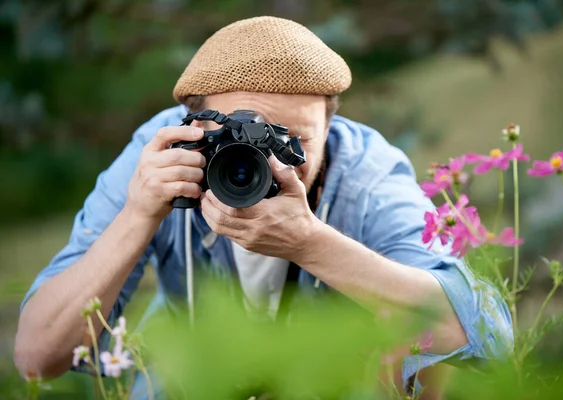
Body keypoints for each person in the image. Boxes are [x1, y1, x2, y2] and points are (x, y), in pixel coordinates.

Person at [14, 15, 513, 399]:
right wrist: (138, 214)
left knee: (424, 354)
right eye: (240, 136)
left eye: (291, 140)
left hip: (334, 377)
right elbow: (37, 357)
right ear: (195, 124)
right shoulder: (162, 153)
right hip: (193, 372)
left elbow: (490, 338)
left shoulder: (366, 172)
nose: (267, 160)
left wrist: (310, 243)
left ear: (332, 124)